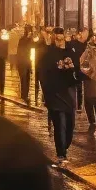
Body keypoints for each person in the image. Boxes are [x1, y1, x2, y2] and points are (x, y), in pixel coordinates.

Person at [39, 28, 79, 164]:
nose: (60, 42)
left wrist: (71, 69)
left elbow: (77, 72)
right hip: (55, 95)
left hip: (69, 94)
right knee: (60, 124)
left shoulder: (71, 52)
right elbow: (42, 74)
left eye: (62, 39)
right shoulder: (48, 54)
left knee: (70, 125)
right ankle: (61, 152)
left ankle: (65, 145)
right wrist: (46, 93)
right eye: (57, 39)